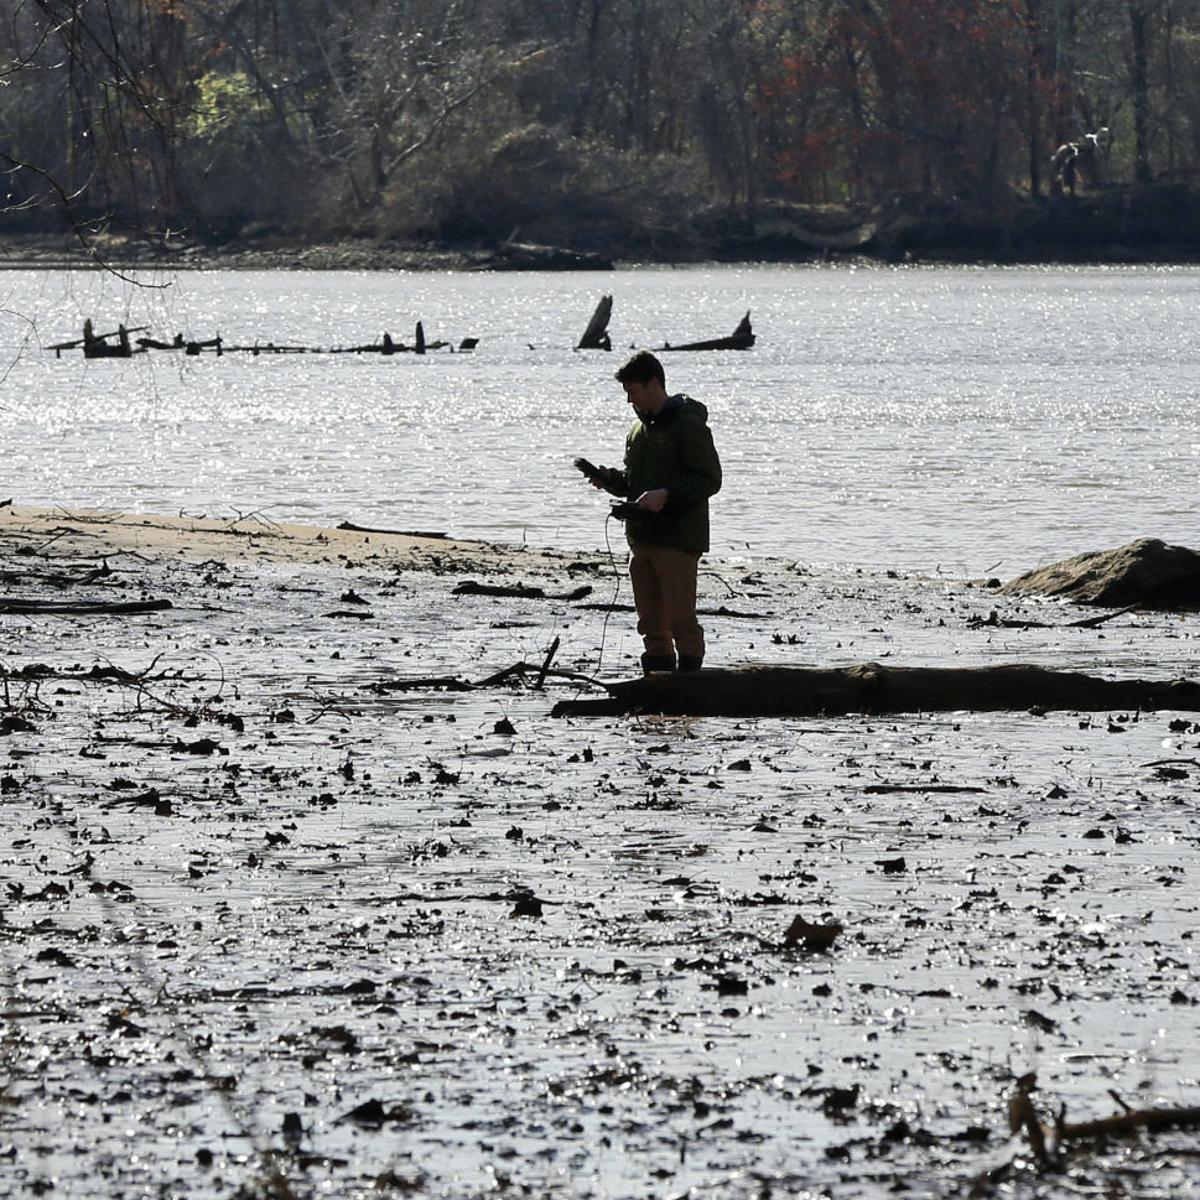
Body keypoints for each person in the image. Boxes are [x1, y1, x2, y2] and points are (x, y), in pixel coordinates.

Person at [583, 350, 722, 674]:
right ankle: (658, 697)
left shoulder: (688, 424)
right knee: (650, 624)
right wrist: (609, 480)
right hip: (641, 538)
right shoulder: (638, 431)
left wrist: (666, 495)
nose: (630, 400)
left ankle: (690, 691)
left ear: (654, 383)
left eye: (633, 391)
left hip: (676, 538)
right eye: (627, 393)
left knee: (680, 621)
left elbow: (710, 479)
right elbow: (633, 484)